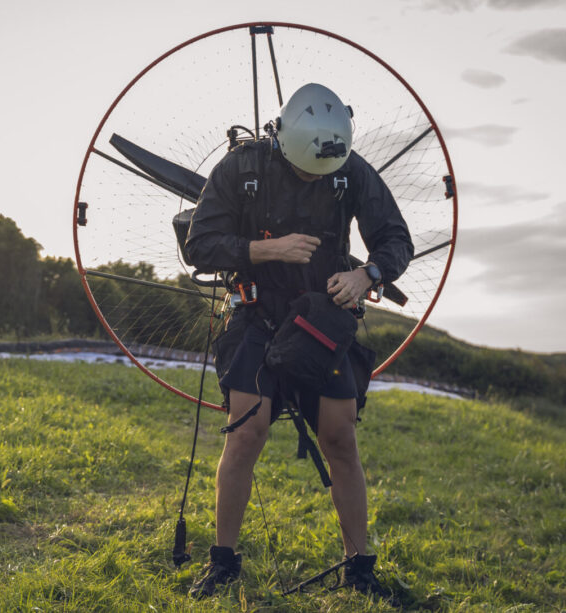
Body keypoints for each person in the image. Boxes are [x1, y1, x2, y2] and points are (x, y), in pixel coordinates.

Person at [183, 83, 413, 600]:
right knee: (246, 433)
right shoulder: (242, 168)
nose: (317, 177)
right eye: (308, 169)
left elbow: (396, 238)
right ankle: (223, 562)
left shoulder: (350, 169)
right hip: (256, 317)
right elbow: (199, 246)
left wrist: (367, 275)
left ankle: (360, 568)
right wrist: (268, 251)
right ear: (284, 140)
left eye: (325, 171)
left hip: (322, 321)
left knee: (340, 438)